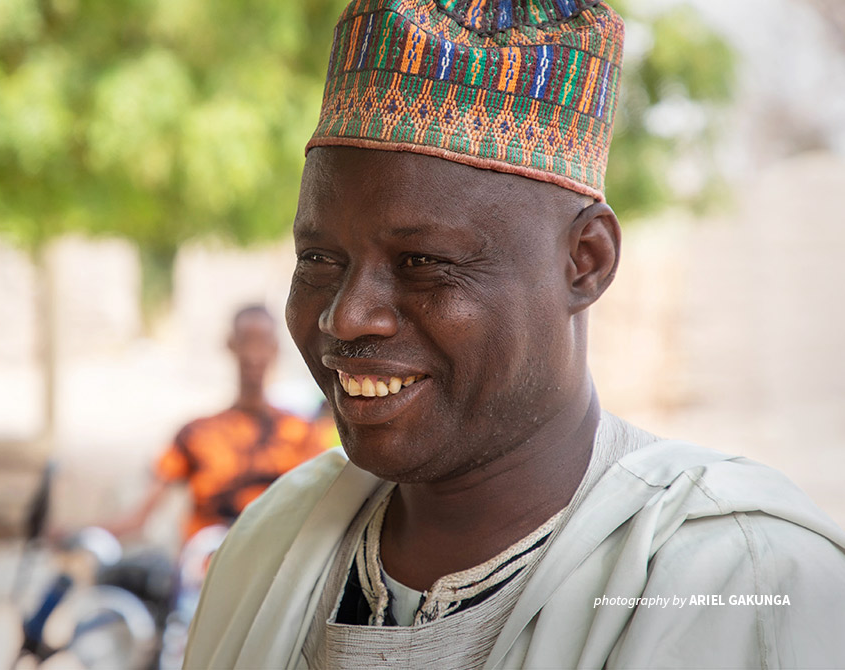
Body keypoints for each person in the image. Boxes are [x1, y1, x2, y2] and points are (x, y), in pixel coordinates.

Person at [184, 2, 845, 668]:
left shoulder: (739, 579)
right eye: (320, 260)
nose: (348, 317)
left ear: (585, 261)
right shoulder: (274, 544)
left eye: (423, 263)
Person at [109, 305, 327, 544]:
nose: (253, 355)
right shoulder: (197, 433)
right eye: (246, 341)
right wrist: (85, 534)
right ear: (231, 344)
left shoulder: (301, 433)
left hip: (272, 555)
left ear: (275, 348)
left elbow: (320, 511)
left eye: (262, 342)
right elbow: (139, 517)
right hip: (206, 557)